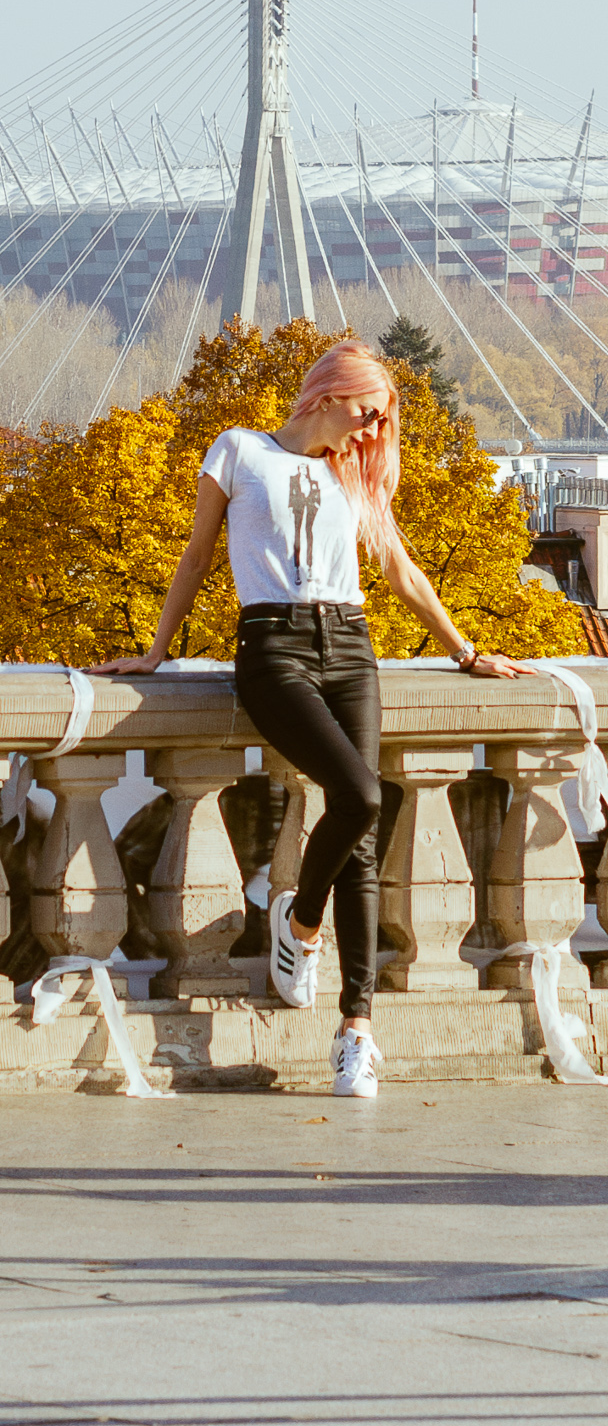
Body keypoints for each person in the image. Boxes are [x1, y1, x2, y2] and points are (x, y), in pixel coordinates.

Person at [91, 338, 525, 1101]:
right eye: (366, 414)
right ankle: (299, 927)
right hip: (273, 648)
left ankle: (355, 1031)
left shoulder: (352, 476)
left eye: (379, 423)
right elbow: (196, 558)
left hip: (350, 646)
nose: (370, 433)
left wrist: (466, 650)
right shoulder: (239, 451)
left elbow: (400, 567)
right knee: (360, 796)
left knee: (359, 840)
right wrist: (155, 652)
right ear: (326, 395)